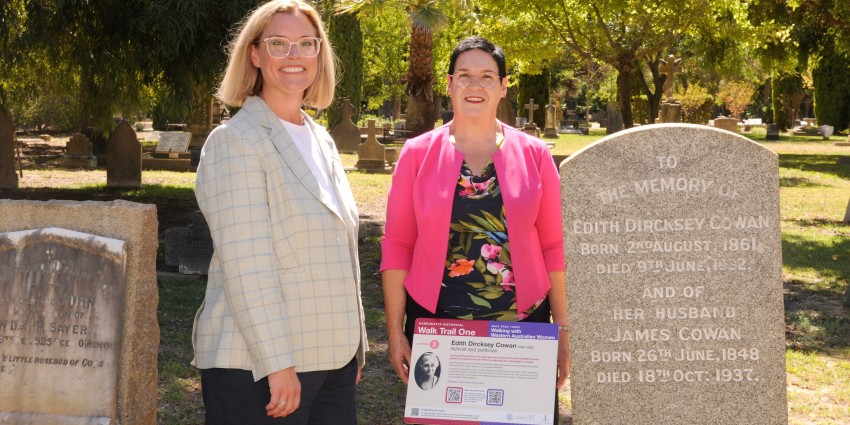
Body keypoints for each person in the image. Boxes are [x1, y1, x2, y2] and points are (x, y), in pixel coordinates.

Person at [192, 1, 367, 424]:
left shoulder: (320, 139)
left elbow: (338, 248)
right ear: (254, 55)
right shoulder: (236, 141)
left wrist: (354, 344)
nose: (295, 56)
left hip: (331, 360)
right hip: (260, 367)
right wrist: (277, 365)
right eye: (279, 44)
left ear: (319, 53)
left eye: (306, 44)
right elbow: (247, 265)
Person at [381, 36, 570, 389]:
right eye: (464, 75)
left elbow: (554, 247)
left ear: (503, 87)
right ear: (450, 83)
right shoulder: (416, 154)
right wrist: (395, 334)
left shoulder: (535, 154)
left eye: (487, 76)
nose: (474, 85)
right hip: (438, 329)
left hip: (522, 331)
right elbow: (397, 247)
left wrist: (562, 329)